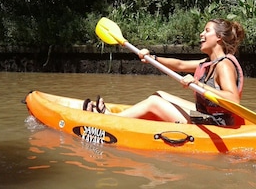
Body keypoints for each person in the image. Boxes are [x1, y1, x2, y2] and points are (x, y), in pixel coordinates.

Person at [83, 18, 245, 126]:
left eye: (206, 30)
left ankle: (109, 121)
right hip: (207, 114)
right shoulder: (209, 63)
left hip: (217, 123)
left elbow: (233, 99)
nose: (201, 34)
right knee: (159, 95)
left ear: (218, 37)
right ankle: (120, 115)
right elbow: (180, 65)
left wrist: (198, 85)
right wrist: (152, 57)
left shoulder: (224, 65)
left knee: (154, 103)